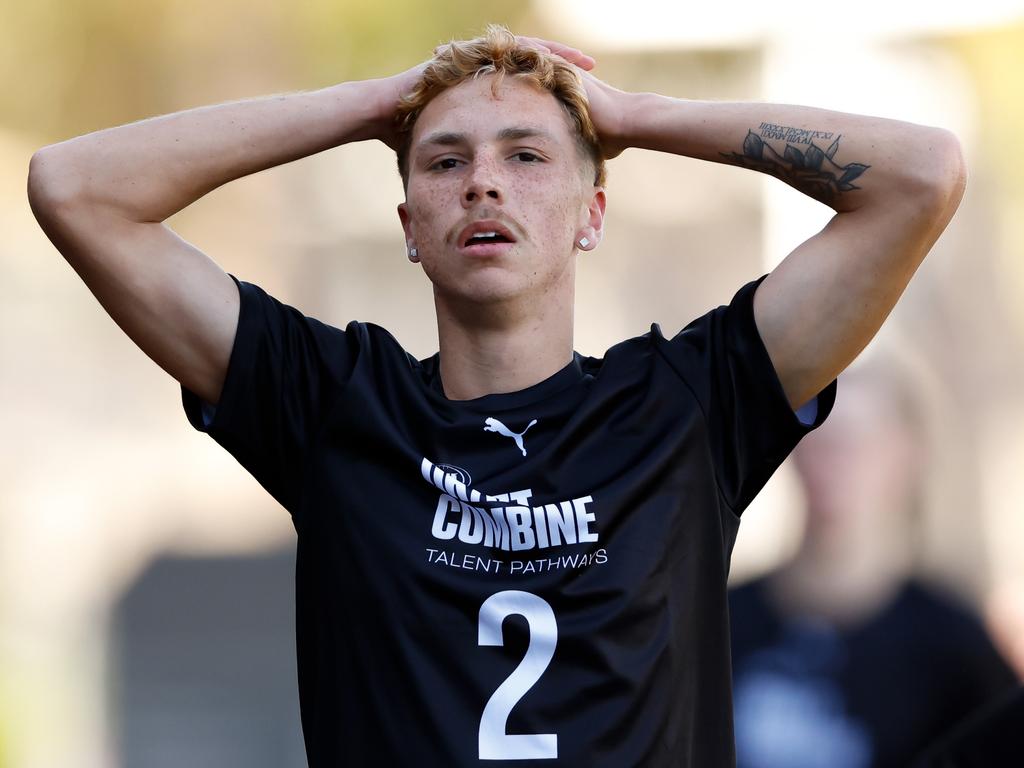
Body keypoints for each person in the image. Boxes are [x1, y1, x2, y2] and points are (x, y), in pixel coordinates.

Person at [26, 24, 966, 767]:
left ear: (592, 212)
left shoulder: (687, 408)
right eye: (443, 161)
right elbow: (75, 188)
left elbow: (922, 177)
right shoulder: (335, 406)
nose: (482, 182)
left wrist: (635, 115)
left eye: (527, 157)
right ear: (409, 225)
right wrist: (369, 104)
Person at [729, 363, 1018, 768]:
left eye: (855, 443)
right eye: (815, 442)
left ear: (909, 456)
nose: (830, 466)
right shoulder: (718, 621)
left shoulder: (953, 647)